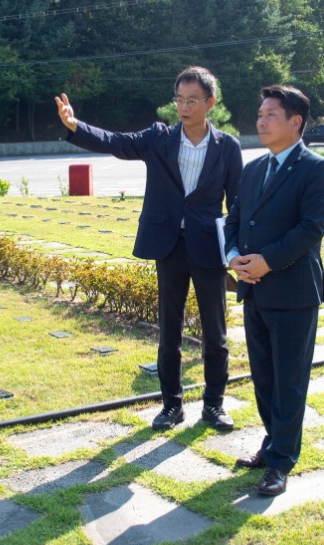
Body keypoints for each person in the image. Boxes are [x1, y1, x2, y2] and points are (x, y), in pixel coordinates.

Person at [55, 67, 242, 432]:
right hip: (168, 246)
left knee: (215, 332)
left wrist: (237, 252)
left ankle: (214, 406)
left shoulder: (228, 147)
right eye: (180, 99)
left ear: (210, 103)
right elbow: (116, 141)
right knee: (169, 330)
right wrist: (76, 126)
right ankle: (172, 405)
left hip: (208, 249)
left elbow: (237, 205)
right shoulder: (159, 138)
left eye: (192, 100)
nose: (184, 107)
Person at [224, 85, 324, 496]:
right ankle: (273, 443)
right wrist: (234, 255)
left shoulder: (316, 168)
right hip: (253, 290)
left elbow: (310, 229)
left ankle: (281, 461)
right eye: (259, 114)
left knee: (289, 380)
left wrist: (267, 260)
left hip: (292, 292)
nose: (261, 121)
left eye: (271, 114)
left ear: (295, 122)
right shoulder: (253, 169)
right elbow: (234, 219)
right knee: (264, 377)